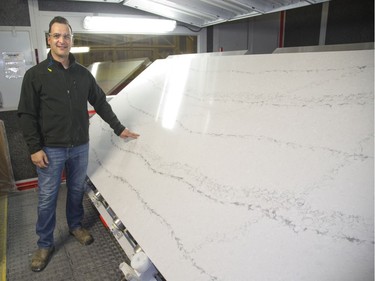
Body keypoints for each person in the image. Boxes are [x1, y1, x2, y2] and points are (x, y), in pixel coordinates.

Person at [17, 16, 140, 272]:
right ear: (49, 40)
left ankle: (75, 226)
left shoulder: (82, 75)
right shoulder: (35, 75)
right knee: (47, 198)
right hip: (50, 149)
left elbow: (100, 103)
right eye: (57, 36)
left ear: (71, 40)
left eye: (66, 36)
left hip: (79, 147)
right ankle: (44, 243)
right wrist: (34, 148)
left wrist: (119, 128)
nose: (62, 40)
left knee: (75, 191)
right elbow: (26, 114)